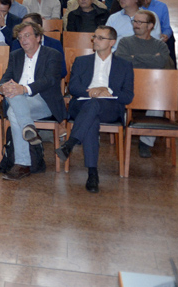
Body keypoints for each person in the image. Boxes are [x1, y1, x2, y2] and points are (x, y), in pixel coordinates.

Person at [57, 25, 133, 192]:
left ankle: (71, 143)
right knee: (91, 112)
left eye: (100, 38)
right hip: (82, 104)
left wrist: (108, 91)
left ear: (112, 42)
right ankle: (92, 173)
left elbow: (128, 96)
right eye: (94, 37)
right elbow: (73, 88)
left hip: (109, 107)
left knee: (93, 108)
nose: (95, 40)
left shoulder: (124, 65)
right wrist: (90, 91)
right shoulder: (81, 61)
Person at [0, 21, 66, 181]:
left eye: (27, 35)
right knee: (14, 100)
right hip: (18, 100)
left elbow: (49, 80)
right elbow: (6, 77)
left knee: (13, 110)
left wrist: (24, 89)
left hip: (44, 102)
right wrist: (2, 88)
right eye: (20, 37)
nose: (23, 40)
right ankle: (28, 131)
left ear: (38, 37)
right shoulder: (15, 55)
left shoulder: (52, 54)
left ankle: (23, 163)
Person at [115, 10, 174, 159]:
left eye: (140, 22)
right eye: (134, 21)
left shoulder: (160, 45)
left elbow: (161, 62)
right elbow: (122, 61)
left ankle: (145, 142)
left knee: (158, 102)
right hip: (128, 87)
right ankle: (121, 134)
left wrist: (135, 57)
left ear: (150, 26)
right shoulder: (125, 42)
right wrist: (151, 59)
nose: (135, 25)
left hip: (152, 89)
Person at [139, 0, 176, 67]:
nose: (145, 2)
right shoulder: (136, 7)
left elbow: (166, 27)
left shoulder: (162, 6)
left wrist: (166, 35)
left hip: (158, 40)